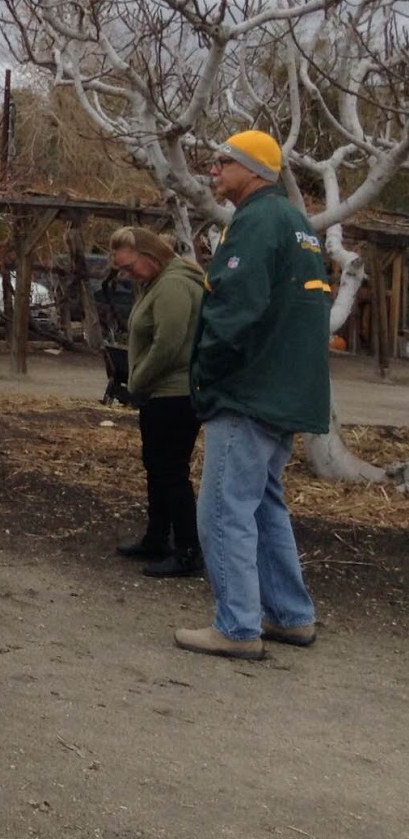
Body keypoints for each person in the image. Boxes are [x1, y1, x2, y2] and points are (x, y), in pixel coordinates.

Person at [175, 130, 330, 660]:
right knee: (264, 503)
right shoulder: (295, 222)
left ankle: (237, 627)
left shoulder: (256, 222)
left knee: (223, 509)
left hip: (248, 390)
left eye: (224, 162)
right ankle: (290, 615)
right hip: (286, 392)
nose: (213, 170)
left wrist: (206, 374)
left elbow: (233, 308)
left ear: (254, 170)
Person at [109, 226, 207, 578]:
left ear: (149, 255)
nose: (127, 274)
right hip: (160, 391)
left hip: (174, 392)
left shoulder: (173, 286)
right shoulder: (156, 283)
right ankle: (157, 536)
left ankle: (188, 549)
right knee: (156, 465)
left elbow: (168, 343)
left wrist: (137, 379)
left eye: (129, 266)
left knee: (171, 470)